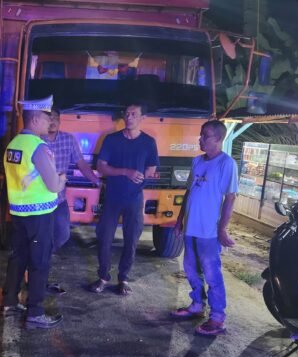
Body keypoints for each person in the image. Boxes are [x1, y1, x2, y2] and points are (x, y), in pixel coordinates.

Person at [1, 95, 67, 329]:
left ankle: (10, 302)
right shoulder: (38, 147)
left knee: (18, 258)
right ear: (36, 119)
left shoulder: (13, 145)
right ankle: (35, 313)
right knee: (39, 262)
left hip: (19, 214)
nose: (50, 121)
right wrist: (62, 179)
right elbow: (53, 185)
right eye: (47, 118)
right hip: (39, 215)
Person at [170, 120, 238, 336]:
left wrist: (222, 229)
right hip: (190, 228)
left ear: (219, 139)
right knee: (191, 269)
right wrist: (180, 220)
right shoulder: (197, 161)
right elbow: (189, 192)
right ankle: (197, 305)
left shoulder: (226, 164)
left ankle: (217, 318)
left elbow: (230, 198)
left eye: (205, 136)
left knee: (212, 274)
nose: (200, 139)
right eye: (200, 135)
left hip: (209, 231)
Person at [89, 102, 159, 296]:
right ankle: (103, 277)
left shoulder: (148, 142)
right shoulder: (112, 140)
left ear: (143, 118)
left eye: (134, 114)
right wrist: (126, 172)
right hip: (112, 197)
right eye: (127, 113)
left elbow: (152, 167)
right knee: (104, 238)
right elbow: (101, 166)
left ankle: (123, 279)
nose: (129, 117)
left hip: (135, 199)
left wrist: (142, 177)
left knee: (131, 239)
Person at [43, 106, 101, 295]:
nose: (52, 121)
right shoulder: (36, 140)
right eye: (49, 118)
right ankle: (37, 273)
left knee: (62, 234)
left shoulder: (68, 140)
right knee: (38, 238)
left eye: (55, 118)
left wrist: (96, 180)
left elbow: (81, 163)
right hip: (38, 200)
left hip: (58, 199)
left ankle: (39, 258)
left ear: (60, 121)